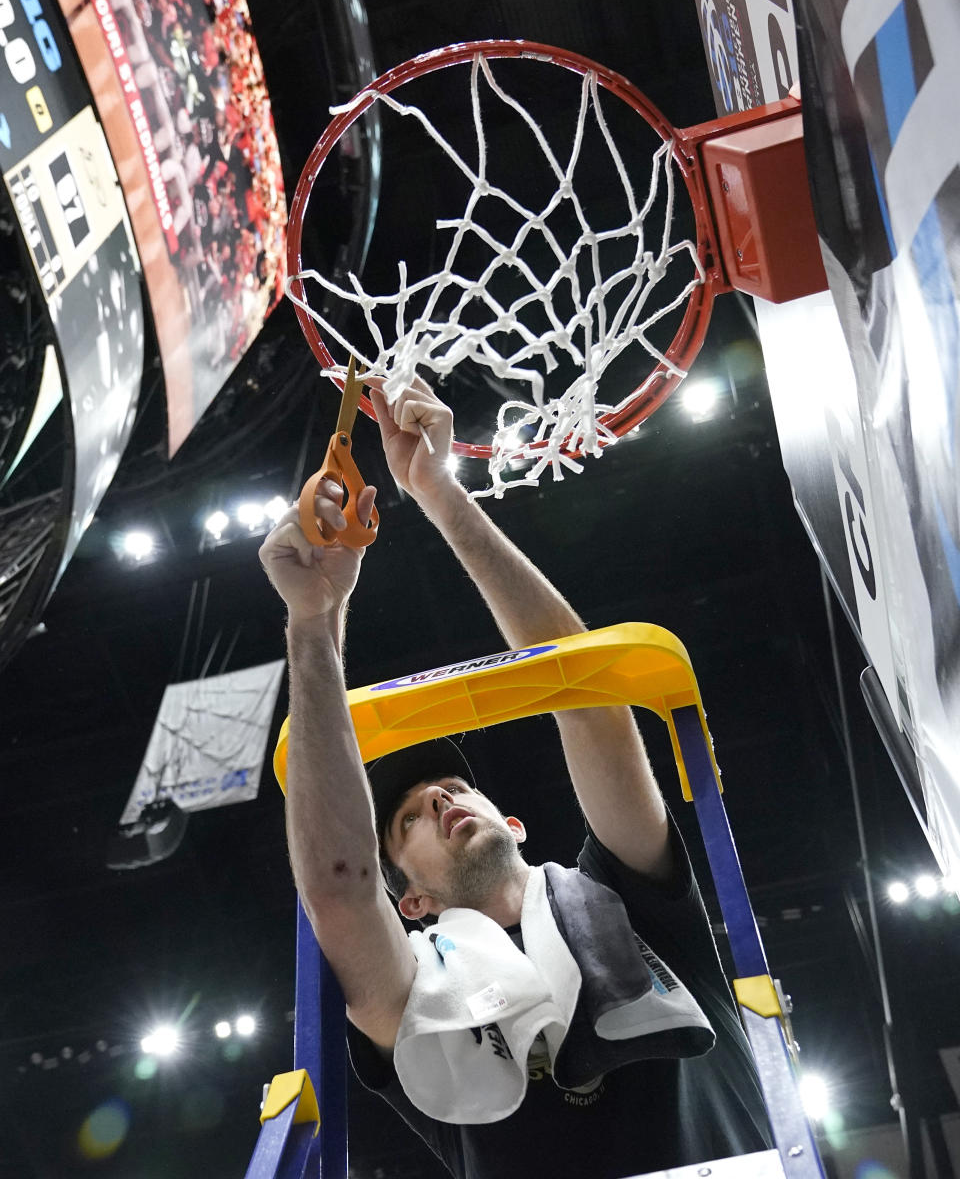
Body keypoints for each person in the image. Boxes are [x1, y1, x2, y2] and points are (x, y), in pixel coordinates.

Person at [259, 374, 772, 1178]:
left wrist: (435, 490)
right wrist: (314, 623)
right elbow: (336, 885)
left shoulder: (623, 901)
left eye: (455, 790)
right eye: (408, 823)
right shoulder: (409, 988)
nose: (440, 796)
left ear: (519, 828)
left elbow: (590, 699)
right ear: (415, 903)